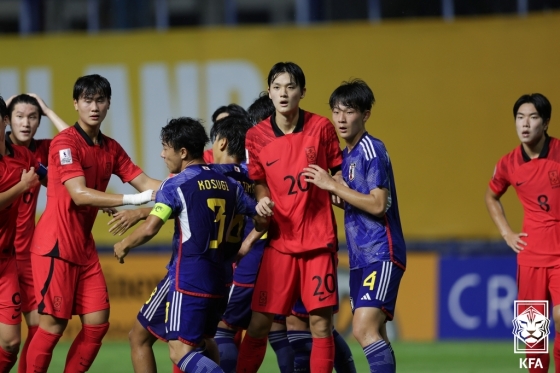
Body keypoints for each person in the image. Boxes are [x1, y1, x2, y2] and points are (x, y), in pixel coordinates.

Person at [26, 74, 161, 373]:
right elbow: (79, 194)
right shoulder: (64, 143)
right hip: (55, 245)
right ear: (75, 104)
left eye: (100, 100)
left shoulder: (111, 148)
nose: (94, 106)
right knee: (52, 326)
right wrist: (135, 201)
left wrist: (187, 183)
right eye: (87, 100)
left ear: (109, 104)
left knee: (97, 323)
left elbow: (146, 182)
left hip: (83, 249)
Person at [113, 117, 269, 373]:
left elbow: (152, 227)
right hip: (221, 279)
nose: (162, 154)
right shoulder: (229, 184)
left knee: (180, 351)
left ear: (183, 152)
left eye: (166, 147)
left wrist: (124, 244)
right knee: (145, 336)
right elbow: (262, 220)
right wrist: (243, 247)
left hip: (188, 279)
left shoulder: (176, 184)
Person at [236, 62, 343, 373]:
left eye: (290, 87)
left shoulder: (321, 127)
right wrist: (263, 201)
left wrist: (336, 184)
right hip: (280, 242)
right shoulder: (255, 137)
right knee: (258, 324)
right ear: (269, 92)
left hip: (317, 241)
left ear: (302, 92)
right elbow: (258, 181)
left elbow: (337, 170)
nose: (284, 93)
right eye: (278, 87)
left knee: (320, 326)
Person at [303, 79, 406, 373]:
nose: (341, 119)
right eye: (336, 112)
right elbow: (354, 202)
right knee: (377, 334)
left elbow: (377, 204)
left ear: (365, 114)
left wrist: (330, 183)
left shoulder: (372, 149)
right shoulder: (346, 155)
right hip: (361, 256)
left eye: (349, 112)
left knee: (362, 329)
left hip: (381, 252)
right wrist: (331, 189)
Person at [485, 93, 558, 373]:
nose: (525, 124)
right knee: (533, 334)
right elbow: (491, 197)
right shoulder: (508, 164)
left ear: (546, 122)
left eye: (533, 117)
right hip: (530, 258)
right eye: (520, 117)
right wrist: (507, 233)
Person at [5, 93, 70, 373]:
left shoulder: (40, 152)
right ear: (7, 120)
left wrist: (47, 108)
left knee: (36, 329)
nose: (26, 123)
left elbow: (75, 140)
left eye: (33, 117)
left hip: (28, 257)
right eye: (19, 116)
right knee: (9, 341)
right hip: (4, 254)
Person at [0, 95, 42, 372]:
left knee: (12, 342)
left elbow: (60, 178)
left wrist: (94, 199)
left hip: (6, 262)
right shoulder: (23, 175)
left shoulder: (25, 157)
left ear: (3, 121)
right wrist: (21, 187)